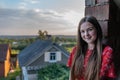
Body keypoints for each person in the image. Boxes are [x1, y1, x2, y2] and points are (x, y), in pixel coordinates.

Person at [67, 16, 116, 80]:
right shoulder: (75, 50)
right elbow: (71, 74)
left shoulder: (106, 51)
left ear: (97, 30)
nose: (86, 34)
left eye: (90, 29)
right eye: (82, 31)